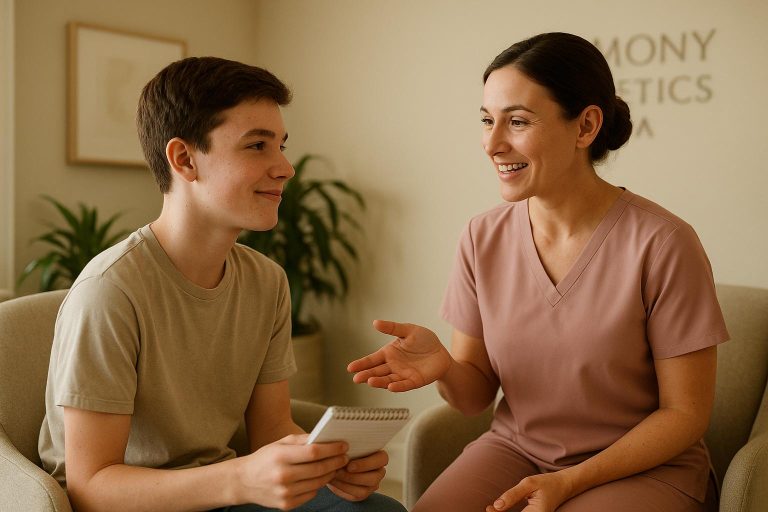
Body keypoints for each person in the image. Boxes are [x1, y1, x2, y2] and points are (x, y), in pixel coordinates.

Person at [348, 32, 729, 512]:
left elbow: (685, 415)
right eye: (487, 121)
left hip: (642, 467)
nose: (492, 143)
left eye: (518, 121)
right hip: (517, 451)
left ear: (586, 126)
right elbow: (474, 398)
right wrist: (444, 366)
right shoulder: (481, 237)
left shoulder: (664, 242)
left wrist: (571, 483)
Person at [38, 56, 406, 512]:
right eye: (257, 146)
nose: (286, 168)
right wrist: (238, 479)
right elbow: (91, 487)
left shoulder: (267, 282)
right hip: (135, 504)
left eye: (281, 146)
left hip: (221, 494)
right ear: (184, 159)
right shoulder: (110, 291)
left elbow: (272, 428)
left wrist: (332, 463)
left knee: (381, 510)